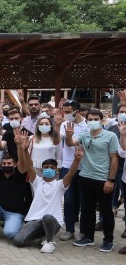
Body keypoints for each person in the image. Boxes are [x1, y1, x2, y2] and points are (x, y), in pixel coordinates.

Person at [64, 108, 119, 252]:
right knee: (87, 209)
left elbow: (114, 158)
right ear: (86, 120)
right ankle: (88, 237)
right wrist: (68, 136)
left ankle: (108, 240)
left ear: (101, 121)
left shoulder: (111, 136)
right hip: (85, 177)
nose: (93, 122)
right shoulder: (84, 134)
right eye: (90, 119)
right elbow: (70, 143)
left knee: (106, 211)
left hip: (103, 179)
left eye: (96, 119)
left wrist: (111, 180)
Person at [13, 147, 83, 253]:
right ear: (42, 170)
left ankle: (49, 241)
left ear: (56, 170)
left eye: (52, 167)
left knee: (47, 217)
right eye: (46, 167)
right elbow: (29, 167)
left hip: (53, 221)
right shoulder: (37, 182)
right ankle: (42, 236)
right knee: (18, 241)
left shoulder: (60, 185)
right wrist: (25, 151)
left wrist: (77, 160)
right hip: (35, 220)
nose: (49, 169)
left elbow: (70, 173)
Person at [58, 100, 87, 241]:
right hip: (67, 166)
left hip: (85, 168)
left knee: (84, 200)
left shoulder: (88, 126)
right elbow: (64, 142)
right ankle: (69, 230)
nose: (66, 114)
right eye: (64, 111)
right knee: (68, 200)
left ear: (77, 111)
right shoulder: (64, 124)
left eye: (68, 112)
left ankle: (84, 231)